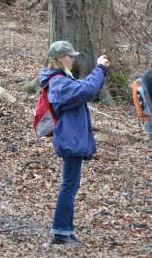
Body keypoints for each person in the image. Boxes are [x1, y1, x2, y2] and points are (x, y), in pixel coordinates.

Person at [38, 41, 109, 244]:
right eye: (70, 56)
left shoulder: (62, 80)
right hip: (70, 139)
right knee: (69, 185)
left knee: (71, 185)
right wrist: (100, 68)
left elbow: (85, 88)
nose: (73, 59)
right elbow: (87, 90)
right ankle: (60, 231)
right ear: (61, 58)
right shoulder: (58, 83)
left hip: (72, 137)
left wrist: (99, 71)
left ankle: (65, 229)